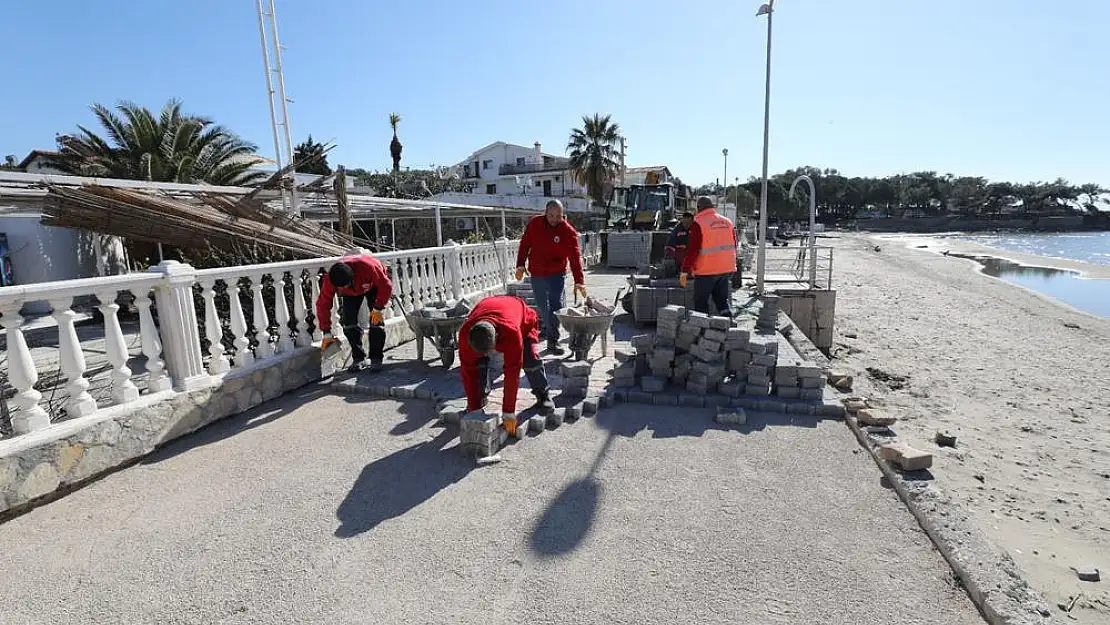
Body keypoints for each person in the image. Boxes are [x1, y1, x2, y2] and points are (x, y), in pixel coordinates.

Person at [458, 295, 555, 437]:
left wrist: (508, 412)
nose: (491, 353)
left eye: (490, 349)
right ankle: (480, 398)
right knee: (479, 363)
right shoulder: (465, 334)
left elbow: (512, 374)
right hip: (490, 307)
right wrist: (474, 408)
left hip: (522, 319)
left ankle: (543, 394)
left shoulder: (511, 333)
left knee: (530, 358)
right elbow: (468, 372)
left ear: (497, 336)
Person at [514, 199, 587, 355]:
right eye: (551, 215)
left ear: (563, 215)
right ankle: (548, 328)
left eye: (558, 216)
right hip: (537, 273)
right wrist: (520, 264)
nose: (554, 219)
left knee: (556, 307)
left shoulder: (568, 232)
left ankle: (553, 341)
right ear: (545, 213)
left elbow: (575, 257)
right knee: (542, 306)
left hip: (556, 274)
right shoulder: (535, 224)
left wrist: (579, 281)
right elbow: (525, 244)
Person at [316, 253, 393, 373]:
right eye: (340, 288)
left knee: (376, 322)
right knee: (349, 324)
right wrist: (326, 332)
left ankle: (376, 359)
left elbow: (386, 286)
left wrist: (378, 308)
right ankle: (358, 358)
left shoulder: (369, 268)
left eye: (344, 285)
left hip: (373, 285)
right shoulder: (331, 279)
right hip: (351, 293)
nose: (341, 288)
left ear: (352, 277)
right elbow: (323, 305)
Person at [680, 196, 737, 317]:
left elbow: (693, 250)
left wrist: (685, 271)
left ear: (699, 208)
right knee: (721, 300)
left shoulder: (698, 223)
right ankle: (729, 323)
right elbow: (735, 245)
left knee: (700, 303)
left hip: (706, 271)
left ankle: (703, 331)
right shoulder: (727, 222)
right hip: (726, 269)